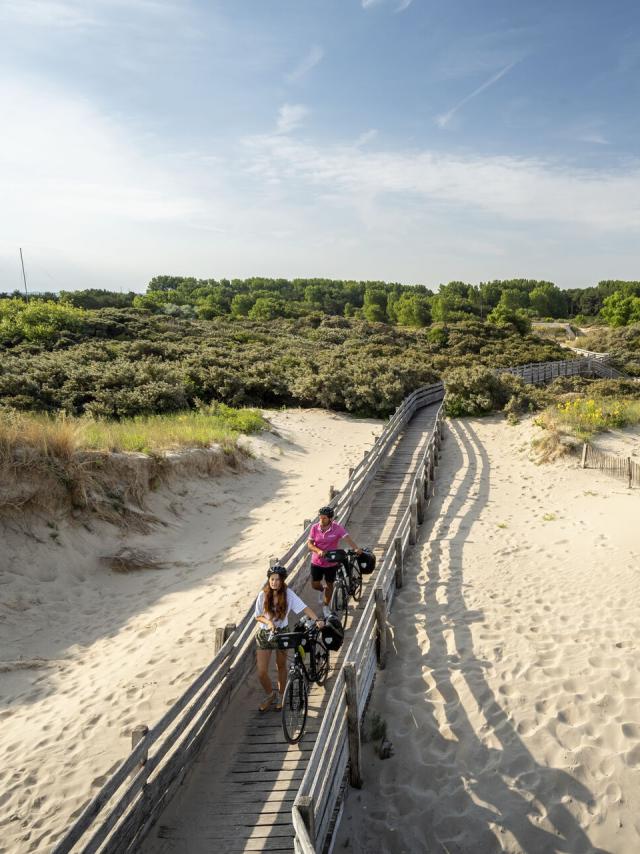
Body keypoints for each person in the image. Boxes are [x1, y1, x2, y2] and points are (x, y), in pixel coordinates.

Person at [254, 564, 324, 712]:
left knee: (281, 666)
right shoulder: (262, 595)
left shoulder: (288, 594)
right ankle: (270, 694)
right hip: (265, 634)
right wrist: (268, 622)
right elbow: (258, 616)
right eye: (272, 579)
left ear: (282, 580)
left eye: (277, 579)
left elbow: (304, 608)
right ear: (269, 580)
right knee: (261, 672)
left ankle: (281, 695)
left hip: (282, 633)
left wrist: (317, 619)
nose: (274, 582)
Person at [307, 506, 362, 608]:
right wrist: (318, 551)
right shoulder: (314, 527)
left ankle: (326, 606)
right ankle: (322, 589)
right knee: (315, 585)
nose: (321, 520)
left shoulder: (337, 528)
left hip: (331, 562)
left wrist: (356, 548)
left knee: (330, 585)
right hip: (317, 561)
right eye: (320, 517)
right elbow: (309, 544)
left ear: (330, 518)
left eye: (324, 518)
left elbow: (348, 539)